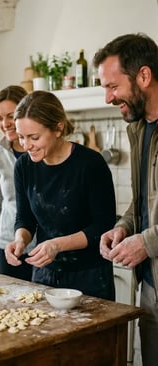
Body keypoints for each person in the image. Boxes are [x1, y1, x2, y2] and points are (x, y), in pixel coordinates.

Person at [5, 90, 116, 300]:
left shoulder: (91, 164)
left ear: (58, 128)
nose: (26, 145)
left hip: (90, 276)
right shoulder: (24, 166)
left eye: (34, 137)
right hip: (44, 275)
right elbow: (25, 219)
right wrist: (20, 240)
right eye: (21, 137)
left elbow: (102, 227)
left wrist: (58, 245)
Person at [95, 33, 158, 366]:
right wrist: (124, 226)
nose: (107, 97)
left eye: (113, 86)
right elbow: (144, 202)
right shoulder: (138, 129)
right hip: (150, 286)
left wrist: (146, 242)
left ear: (143, 76)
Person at [0, 85, 33, 281]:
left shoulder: (40, 149)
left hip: (42, 246)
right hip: (7, 246)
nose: (5, 123)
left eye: (10, 116)